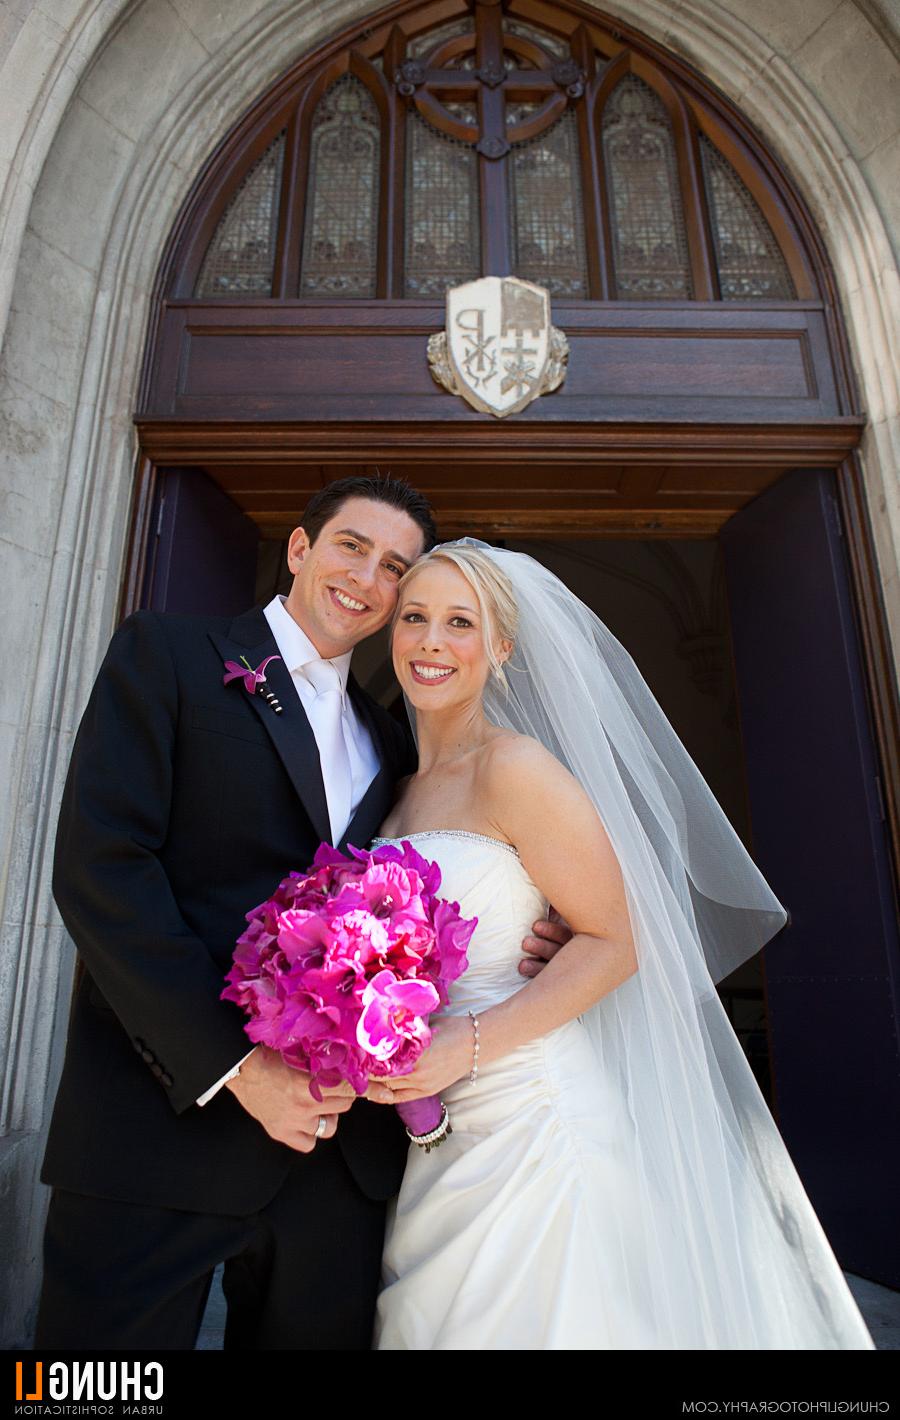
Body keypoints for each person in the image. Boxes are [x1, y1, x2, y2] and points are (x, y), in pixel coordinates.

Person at [36, 476, 568, 1351]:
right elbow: (103, 873)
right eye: (351, 546)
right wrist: (237, 1068)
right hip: (160, 1124)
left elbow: (439, 882)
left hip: (337, 1158)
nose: (367, 575)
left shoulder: (396, 739)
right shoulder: (166, 655)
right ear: (299, 550)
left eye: (394, 566)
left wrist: (529, 935)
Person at [371, 540, 877, 1350]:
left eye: (460, 622)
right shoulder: (394, 788)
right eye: (415, 618)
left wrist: (460, 1045)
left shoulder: (517, 769)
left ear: (500, 649)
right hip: (435, 1129)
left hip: (533, 1120)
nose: (431, 641)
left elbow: (618, 938)